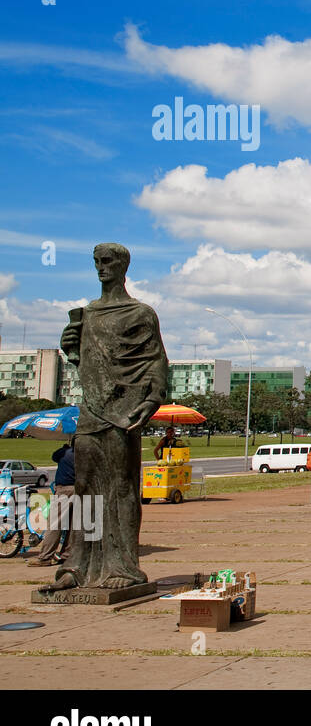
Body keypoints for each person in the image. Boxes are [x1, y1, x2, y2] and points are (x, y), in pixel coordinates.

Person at [43, 243, 168, 594]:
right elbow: (87, 364)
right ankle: (79, 566)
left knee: (122, 487)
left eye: (108, 261)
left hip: (122, 412)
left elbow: (156, 360)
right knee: (85, 490)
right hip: (92, 410)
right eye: (97, 261)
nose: (101, 267)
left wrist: (151, 399)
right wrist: (71, 347)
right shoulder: (88, 314)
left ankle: (123, 566)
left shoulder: (140, 313)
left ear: (123, 266)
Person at [30, 440, 76, 567]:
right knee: (73, 526)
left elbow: (54, 456)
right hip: (79, 490)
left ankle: (45, 556)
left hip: (63, 489)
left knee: (55, 524)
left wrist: (64, 448)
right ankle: (66, 555)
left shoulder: (65, 453)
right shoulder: (84, 455)